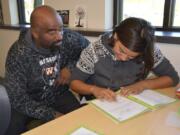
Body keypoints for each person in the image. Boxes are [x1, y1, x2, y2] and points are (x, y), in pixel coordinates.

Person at [4, 5, 89, 135]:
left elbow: (89, 52)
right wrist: (52, 115)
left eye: (61, 29)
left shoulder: (68, 38)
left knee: (81, 120)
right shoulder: (18, 54)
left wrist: (71, 68)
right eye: (52, 32)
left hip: (58, 93)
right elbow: (18, 99)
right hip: (29, 100)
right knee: (11, 129)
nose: (60, 36)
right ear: (35, 33)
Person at [70, 17, 179, 101]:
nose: (123, 58)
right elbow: (74, 83)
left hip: (130, 101)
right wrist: (94, 90)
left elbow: (172, 78)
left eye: (131, 56)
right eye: (122, 51)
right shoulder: (94, 50)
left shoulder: (148, 50)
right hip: (100, 102)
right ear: (115, 36)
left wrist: (142, 85)